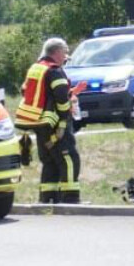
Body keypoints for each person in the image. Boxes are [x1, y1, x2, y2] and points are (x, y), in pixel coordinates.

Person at [15, 37, 85, 203]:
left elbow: (29, 91)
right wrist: (62, 125)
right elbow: (61, 100)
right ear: (57, 52)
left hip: (39, 124)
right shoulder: (54, 70)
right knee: (69, 159)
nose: (66, 56)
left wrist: (71, 92)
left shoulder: (36, 68)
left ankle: (47, 199)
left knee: (50, 162)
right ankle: (70, 199)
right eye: (65, 52)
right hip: (54, 124)